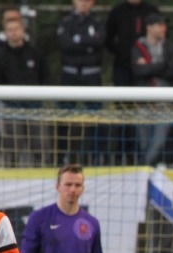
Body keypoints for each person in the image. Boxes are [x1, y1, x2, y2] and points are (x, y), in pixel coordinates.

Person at [0, 15, 49, 167]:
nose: (14, 32)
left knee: (39, 144)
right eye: (10, 30)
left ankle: (40, 173)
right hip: (11, 108)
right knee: (13, 145)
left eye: (16, 29)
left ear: (23, 30)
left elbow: (45, 78)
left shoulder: (35, 53)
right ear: (5, 33)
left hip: (34, 108)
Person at [57, 0, 107, 163]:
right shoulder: (66, 22)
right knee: (64, 116)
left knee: (95, 117)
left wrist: (77, 40)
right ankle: (61, 156)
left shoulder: (98, 22)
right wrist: (87, 43)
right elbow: (65, 45)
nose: (83, 3)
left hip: (92, 75)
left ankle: (96, 157)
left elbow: (99, 43)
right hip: (69, 75)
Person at [131, 12, 173, 166]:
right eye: (159, 25)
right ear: (149, 27)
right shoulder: (138, 46)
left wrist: (149, 66)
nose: (163, 28)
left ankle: (144, 168)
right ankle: (145, 171)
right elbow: (138, 71)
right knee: (144, 142)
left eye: (164, 25)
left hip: (164, 101)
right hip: (144, 101)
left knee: (158, 141)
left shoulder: (170, 46)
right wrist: (162, 65)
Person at [105, 0, 160, 87]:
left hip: (146, 64)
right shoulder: (118, 11)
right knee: (122, 97)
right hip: (122, 64)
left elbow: (161, 35)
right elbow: (108, 38)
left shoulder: (151, 11)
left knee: (144, 96)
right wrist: (120, 52)